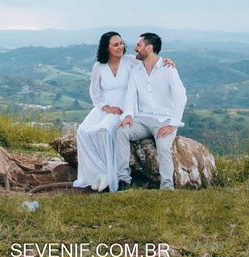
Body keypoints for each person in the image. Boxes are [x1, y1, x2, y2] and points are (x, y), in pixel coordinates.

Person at [74, 32, 175, 193]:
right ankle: (97, 172)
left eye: (121, 43)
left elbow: (150, 60)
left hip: (125, 108)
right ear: (106, 48)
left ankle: (112, 175)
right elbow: (95, 93)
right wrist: (105, 107)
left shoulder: (129, 61)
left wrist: (166, 62)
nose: (120, 47)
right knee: (83, 131)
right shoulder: (98, 67)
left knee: (107, 130)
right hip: (105, 108)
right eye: (115, 45)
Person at [116, 32, 187, 190]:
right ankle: (123, 180)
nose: (135, 48)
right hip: (142, 120)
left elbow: (181, 97)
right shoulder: (136, 71)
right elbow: (130, 96)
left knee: (163, 146)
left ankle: (167, 187)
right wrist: (128, 115)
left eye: (139, 45)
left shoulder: (168, 69)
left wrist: (173, 124)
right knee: (121, 131)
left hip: (165, 120)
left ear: (149, 48)